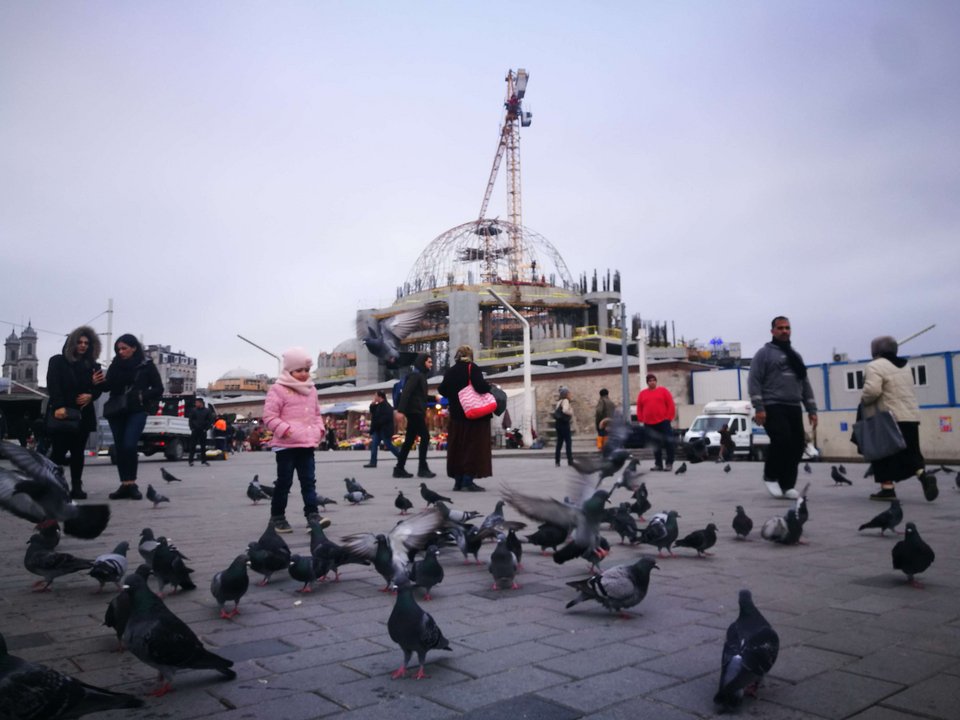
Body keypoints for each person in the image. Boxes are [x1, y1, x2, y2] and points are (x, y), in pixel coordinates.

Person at [860, 335, 938, 502]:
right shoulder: (905, 366)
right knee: (911, 452)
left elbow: (872, 391)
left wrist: (863, 399)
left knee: (883, 453)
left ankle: (887, 489)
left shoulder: (874, 366)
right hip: (910, 416)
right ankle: (924, 476)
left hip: (888, 418)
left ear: (875, 350)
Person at [747, 316, 818, 499]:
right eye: (780, 328)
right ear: (773, 331)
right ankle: (770, 476)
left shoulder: (796, 356)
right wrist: (759, 407)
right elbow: (754, 381)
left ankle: (787, 485)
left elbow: (805, 384)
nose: (784, 331)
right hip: (773, 405)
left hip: (793, 406)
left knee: (796, 446)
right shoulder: (764, 354)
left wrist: (812, 410)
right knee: (782, 439)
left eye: (787, 327)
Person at [262, 347, 329, 533]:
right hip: (286, 445)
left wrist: (319, 430)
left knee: (309, 481)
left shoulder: (311, 389)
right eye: (299, 370)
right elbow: (269, 417)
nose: (303, 374)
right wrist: (286, 430)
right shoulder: (278, 389)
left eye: (306, 370)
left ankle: (312, 515)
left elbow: (316, 414)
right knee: (284, 483)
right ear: (289, 370)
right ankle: (277, 518)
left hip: (306, 444)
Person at [101, 333, 164, 500]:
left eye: (124, 348)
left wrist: (143, 395)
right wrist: (98, 381)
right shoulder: (115, 365)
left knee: (130, 445)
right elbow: (108, 387)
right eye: (118, 349)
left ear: (134, 348)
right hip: (117, 410)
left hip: (137, 410)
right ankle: (125, 484)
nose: (121, 352)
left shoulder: (146, 365)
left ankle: (132, 483)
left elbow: (159, 388)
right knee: (120, 448)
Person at [46, 326, 104, 499]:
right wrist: (58, 406)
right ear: (72, 342)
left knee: (78, 452)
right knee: (58, 452)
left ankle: (77, 486)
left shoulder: (93, 366)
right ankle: (52, 486)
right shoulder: (57, 361)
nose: (83, 345)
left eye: (87, 342)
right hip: (63, 412)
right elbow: (53, 384)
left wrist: (91, 394)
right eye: (79, 342)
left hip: (83, 413)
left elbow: (99, 389)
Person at [437, 345, 491, 492]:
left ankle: (458, 481)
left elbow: (441, 389)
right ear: (470, 355)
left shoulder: (451, 371)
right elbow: (480, 387)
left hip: (456, 416)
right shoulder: (472, 368)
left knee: (458, 448)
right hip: (472, 416)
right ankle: (468, 480)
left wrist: (454, 396)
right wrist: (489, 387)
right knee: (472, 447)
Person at [393, 352, 436, 479]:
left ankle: (399, 468)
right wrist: (400, 410)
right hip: (414, 412)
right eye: (429, 362)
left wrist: (435, 398)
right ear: (423, 362)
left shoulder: (421, 376)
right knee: (425, 436)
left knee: (409, 440)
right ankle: (422, 468)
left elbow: (420, 396)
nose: (431, 364)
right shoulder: (416, 376)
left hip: (416, 411)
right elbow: (406, 392)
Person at [637, 373, 676, 471]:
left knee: (668, 442)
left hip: (663, 422)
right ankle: (658, 464)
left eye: (653, 380)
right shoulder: (642, 394)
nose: (652, 382)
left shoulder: (663, 391)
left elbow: (670, 405)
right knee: (655, 444)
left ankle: (669, 463)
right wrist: (641, 418)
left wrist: (668, 418)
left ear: (656, 381)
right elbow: (639, 407)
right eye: (650, 381)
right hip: (649, 423)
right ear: (647, 383)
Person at [364, 390, 399, 468]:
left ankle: (400, 457)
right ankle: (373, 462)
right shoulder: (378, 405)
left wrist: (378, 423)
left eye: (375, 396)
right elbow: (372, 412)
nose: (374, 397)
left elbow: (386, 418)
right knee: (374, 445)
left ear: (380, 397)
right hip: (378, 429)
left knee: (388, 445)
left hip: (384, 429)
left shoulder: (386, 406)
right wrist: (372, 405)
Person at [187, 398, 214, 466]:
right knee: (192, 446)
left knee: (203, 446)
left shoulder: (207, 411)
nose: (196, 404)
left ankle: (204, 460)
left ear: (201, 403)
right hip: (195, 430)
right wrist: (192, 428)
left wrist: (206, 429)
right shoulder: (194, 410)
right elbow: (190, 420)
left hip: (203, 430)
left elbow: (210, 420)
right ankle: (191, 461)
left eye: (197, 403)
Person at [553, 386, 574, 467]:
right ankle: (570, 460)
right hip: (564, 424)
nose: (570, 394)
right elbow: (565, 410)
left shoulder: (559, 401)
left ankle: (557, 461)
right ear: (566, 394)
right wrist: (571, 412)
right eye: (569, 393)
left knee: (559, 443)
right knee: (568, 442)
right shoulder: (565, 401)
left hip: (558, 424)